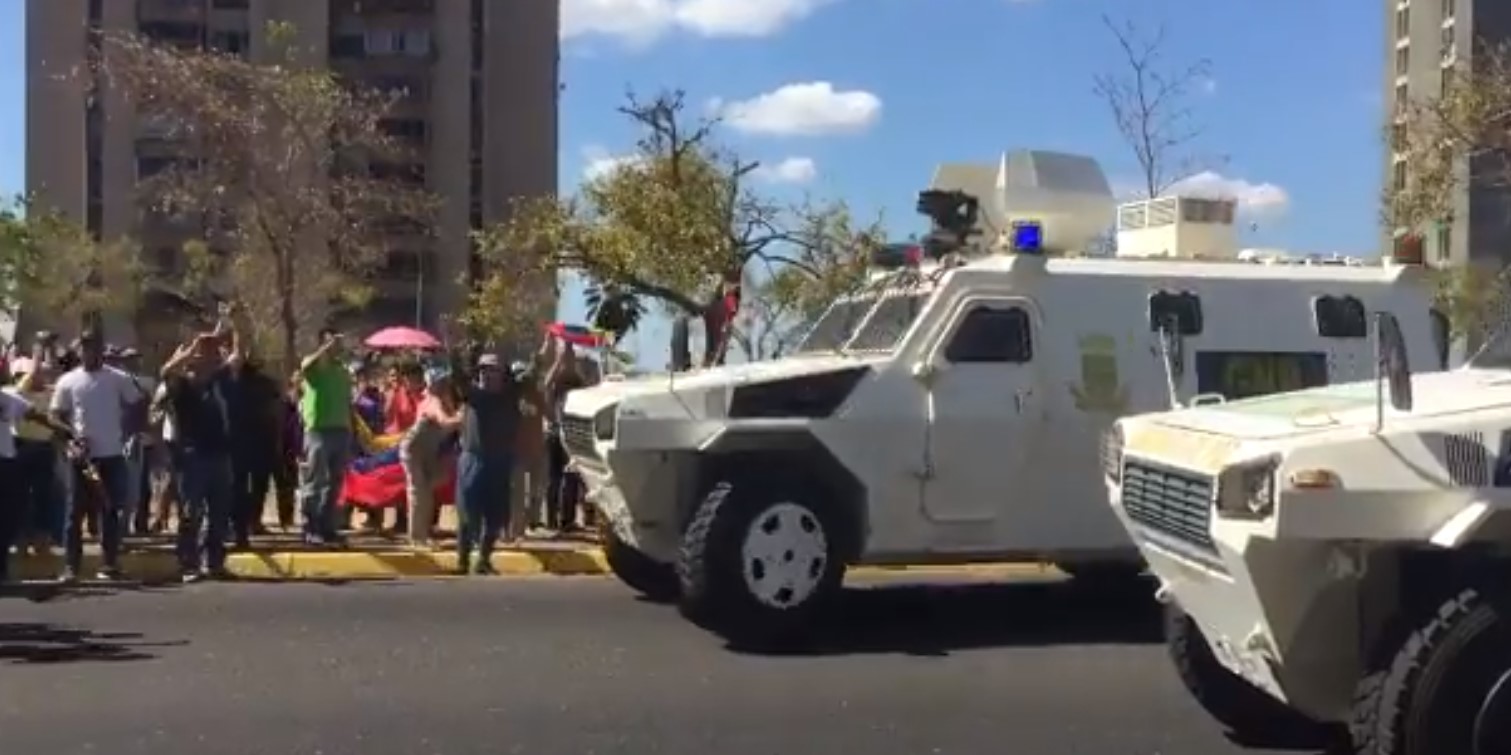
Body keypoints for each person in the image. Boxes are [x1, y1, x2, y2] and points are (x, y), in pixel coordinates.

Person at [50, 330, 148, 583]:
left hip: (112, 454)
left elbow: (139, 402)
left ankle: (110, 563)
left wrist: (130, 431)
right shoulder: (68, 381)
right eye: (84, 348)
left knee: (111, 509)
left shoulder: (118, 378)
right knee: (75, 512)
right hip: (82, 458)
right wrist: (72, 436)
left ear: (100, 350)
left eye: (93, 347)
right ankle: (71, 567)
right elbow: (55, 415)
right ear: (78, 351)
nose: (88, 352)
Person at [159, 331, 236, 582]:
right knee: (191, 512)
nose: (212, 357)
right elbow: (165, 371)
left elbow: (238, 357)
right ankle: (188, 563)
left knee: (219, 512)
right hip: (192, 456)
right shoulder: (181, 386)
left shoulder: (218, 382)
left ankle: (213, 562)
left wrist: (236, 327)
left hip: (219, 455)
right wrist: (190, 350)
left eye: (214, 353)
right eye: (206, 353)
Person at [0, 359, 75, 588]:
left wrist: (69, 433)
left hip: (6, 463)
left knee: (9, 518)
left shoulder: (8, 400)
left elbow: (41, 417)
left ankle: (1, 568)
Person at [453, 353, 523, 575]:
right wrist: (454, 350)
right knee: (466, 511)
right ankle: (462, 560)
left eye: (493, 369)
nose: (487, 374)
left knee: (496, 514)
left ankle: (483, 558)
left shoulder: (510, 394)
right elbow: (458, 376)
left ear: (502, 374)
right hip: (473, 459)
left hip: (500, 460)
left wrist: (550, 349)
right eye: (483, 369)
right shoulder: (473, 394)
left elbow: (535, 372)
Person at [295, 328, 354, 547]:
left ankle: (328, 527)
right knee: (315, 481)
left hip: (341, 431)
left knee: (335, 483)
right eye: (330, 341)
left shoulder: (342, 370)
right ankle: (310, 528)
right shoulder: (314, 369)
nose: (336, 345)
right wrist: (326, 348)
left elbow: (347, 402)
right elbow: (305, 366)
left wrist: (352, 429)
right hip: (318, 431)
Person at [399, 366, 463, 550]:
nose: (446, 384)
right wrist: (464, 417)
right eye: (442, 381)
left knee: (428, 491)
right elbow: (445, 422)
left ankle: (423, 534)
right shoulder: (433, 401)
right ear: (435, 384)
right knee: (419, 493)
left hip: (428, 451)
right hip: (413, 450)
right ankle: (417, 538)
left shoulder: (441, 400)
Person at [12, 344, 66, 554]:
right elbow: (35, 375)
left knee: (45, 495)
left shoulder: (48, 392)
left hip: (44, 448)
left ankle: (41, 538)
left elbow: (50, 373)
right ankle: (22, 539)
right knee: (22, 496)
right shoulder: (18, 392)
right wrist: (38, 349)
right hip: (24, 446)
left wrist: (48, 350)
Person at [542, 339, 587, 534]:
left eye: (570, 353)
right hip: (554, 430)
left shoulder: (576, 380)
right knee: (554, 477)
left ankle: (566, 520)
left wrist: (573, 364)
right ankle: (551, 519)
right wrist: (558, 361)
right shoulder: (555, 377)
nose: (569, 356)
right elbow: (545, 385)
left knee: (571, 477)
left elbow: (587, 390)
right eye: (565, 352)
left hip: (571, 432)